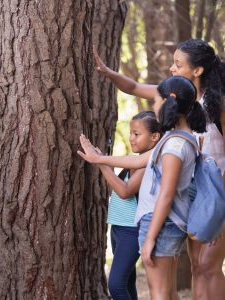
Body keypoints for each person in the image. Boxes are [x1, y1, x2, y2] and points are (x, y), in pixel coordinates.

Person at [93, 39, 225, 300]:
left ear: (197, 70)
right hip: (192, 194)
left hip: (217, 193)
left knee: (209, 266)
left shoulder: (218, 104)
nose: (172, 69)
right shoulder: (178, 98)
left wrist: (220, 205)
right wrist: (108, 73)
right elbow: (132, 86)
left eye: (178, 64)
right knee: (198, 266)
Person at [78, 76, 207, 300]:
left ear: (168, 101)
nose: (154, 105)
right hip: (161, 223)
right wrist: (100, 159)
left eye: (156, 100)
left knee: (159, 293)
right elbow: (136, 161)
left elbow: (166, 196)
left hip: (161, 224)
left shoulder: (174, 146)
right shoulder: (177, 139)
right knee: (166, 291)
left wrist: (149, 239)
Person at [96, 111, 161, 299]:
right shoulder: (134, 162)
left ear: (155, 137)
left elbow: (124, 192)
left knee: (115, 285)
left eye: (137, 134)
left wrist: (101, 162)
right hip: (119, 229)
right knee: (127, 282)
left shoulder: (145, 165)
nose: (131, 138)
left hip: (132, 231)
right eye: (131, 133)